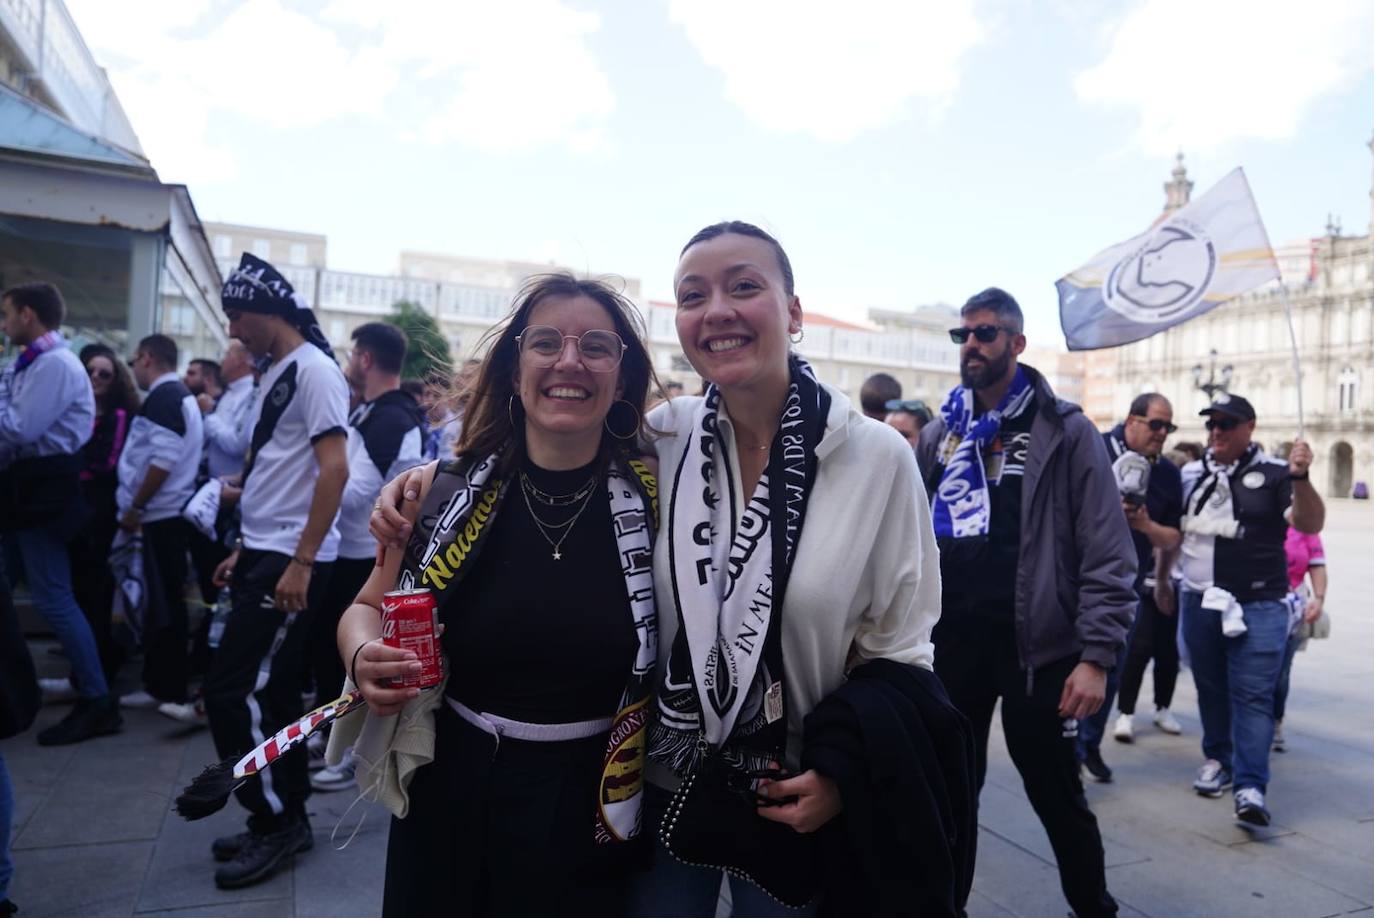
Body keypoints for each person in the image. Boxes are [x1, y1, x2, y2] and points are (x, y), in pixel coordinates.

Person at [633, 223, 946, 916]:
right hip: (663, 779)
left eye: (744, 286)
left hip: (794, 794)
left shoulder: (876, 458)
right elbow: (546, 451)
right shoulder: (663, 435)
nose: (716, 309)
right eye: (693, 295)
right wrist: (426, 482)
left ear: (794, 312)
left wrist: (843, 776)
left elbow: (903, 646)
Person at [341, 273, 660, 916]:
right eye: (546, 342)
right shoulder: (439, 492)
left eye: (596, 346)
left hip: (593, 801)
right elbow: (367, 606)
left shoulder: (665, 501)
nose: (569, 360)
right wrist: (361, 656)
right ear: (516, 368)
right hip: (450, 788)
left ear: (622, 378)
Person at [915, 287, 1136, 918]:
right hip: (953, 645)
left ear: (1016, 343)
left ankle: (1093, 906)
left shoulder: (1063, 431)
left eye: (986, 334)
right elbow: (907, 542)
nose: (972, 346)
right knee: (954, 793)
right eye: (964, 336)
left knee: (1055, 791)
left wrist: (1096, 655)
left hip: (1039, 649)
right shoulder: (941, 433)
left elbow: (1106, 548)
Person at [201, 254, 350, 890]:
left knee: (243, 692)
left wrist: (301, 561)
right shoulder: (279, 371)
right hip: (268, 551)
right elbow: (277, 469)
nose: (233, 329)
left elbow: (334, 469)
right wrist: (250, 548)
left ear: (269, 311)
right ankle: (279, 816)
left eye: (238, 315)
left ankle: (279, 819)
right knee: (267, 693)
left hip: (293, 558)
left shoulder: (314, 371)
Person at [1177, 394, 1323, 827]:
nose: (1216, 431)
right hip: (1198, 598)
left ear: (1250, 428)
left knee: (1254, 697)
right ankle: (1218, 759)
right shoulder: (1189, 472)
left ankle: (1251, 785)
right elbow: (1176, 529)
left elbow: (1310, 524)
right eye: (1211, 424)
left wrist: (1302, 478)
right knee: (1210, 688)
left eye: (1227, 423)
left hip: (1259, 605)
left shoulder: (1278, 474)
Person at [0, 282, 121, 746]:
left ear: (28, 315)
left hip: (42, 490)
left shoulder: (53, 363)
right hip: (29, 489)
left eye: (7, 313)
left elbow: (19, 427)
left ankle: (97, 698)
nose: (4, 323)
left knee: (52, 596)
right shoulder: (35, 362)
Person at [308, 322, 424, 793]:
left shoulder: (391, 417)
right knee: (332, 653)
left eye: (354, 355)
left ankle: (349, 753)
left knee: (362, 661)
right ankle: (333, 739)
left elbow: (359, 495)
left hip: (371, 557)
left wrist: (317, 489)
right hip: (355, 551)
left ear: (367, 358)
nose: (350, 363)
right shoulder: (372, 413)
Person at [1075, 394, 1183, 781]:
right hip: (1074, 582)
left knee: (1109, 671)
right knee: (1067, 669)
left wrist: (1145, 527)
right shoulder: (1093, 448)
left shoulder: (1168, 474)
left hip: (1126, 589)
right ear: (1132, 420)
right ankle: (1064, 749)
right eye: (1156, 424)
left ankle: (1087, 745)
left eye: (1168, 427)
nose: (1162, 434)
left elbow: (1173, 538)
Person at [116, 334, 204, 710]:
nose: (133, 367)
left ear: (148, 357)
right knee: (164, 603)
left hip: (161, 515)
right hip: (163, 514)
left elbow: (162, 460)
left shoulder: (166, 397)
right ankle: (164, 683)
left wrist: (136, 506)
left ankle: (164, 686)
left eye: (135, 359)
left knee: (163, 606)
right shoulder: (173, 396)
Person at [57, 344, 141, 696]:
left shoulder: (118, 417)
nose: (96, 378)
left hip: (100, 512)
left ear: (115, 378)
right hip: (74, 509)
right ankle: (84, 672)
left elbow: (105, 463)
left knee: (96, 592)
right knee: (77, 590)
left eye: (104, 373)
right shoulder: (73, 411)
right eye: (90, 370)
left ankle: (97, 674)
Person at [1273, 513, 1326, 752]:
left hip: (1294, 610)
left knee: (1281, 672)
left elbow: (1317, 563)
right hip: (1254, 602)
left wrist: (1319, 598)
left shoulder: (1304, 523)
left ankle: (1275, 722)